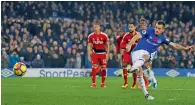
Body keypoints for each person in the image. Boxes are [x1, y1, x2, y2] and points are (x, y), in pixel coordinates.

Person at [127, 20, 194, 100]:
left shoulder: (163, 38)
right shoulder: (149, 30)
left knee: (140, 73)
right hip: (136, 52)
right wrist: (130, 44)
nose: (156, 30)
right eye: (156, 27)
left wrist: (185, 48)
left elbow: (174, 45)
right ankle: (135, 67)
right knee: (146, 57)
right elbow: (137, 35)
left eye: (159, 28)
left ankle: (146, 94)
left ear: (163, 30)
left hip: (142, 57)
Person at [120, 21, 149, 89]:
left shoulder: (139, 35)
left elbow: (144, 43)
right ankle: (125, 83)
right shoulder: (126, 35)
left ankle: (137, 83)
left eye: (131, 27)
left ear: (135, 27)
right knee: (124, 65)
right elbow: (122, 45)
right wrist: (127, 46)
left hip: (136, 53)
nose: (130, 28)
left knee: (137, 67)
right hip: (128, 53)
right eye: (129, 27)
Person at [87, 21, 110, 88]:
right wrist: (89, 55)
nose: (95, 28)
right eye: (94, 27)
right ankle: (93, 83)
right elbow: (89, 46)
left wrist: (107, 54)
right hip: (95, 53)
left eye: (96, 27)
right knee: (94, 68)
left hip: (103, 53)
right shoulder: (91, 36)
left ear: (99, 27)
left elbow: (108, 45)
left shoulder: (104, 35)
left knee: (104, 68)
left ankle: (103, 83)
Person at [139, 18, 158, 88]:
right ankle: (152, 80)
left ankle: (153, 80)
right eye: (141, 24)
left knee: (147, 65)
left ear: (146, 24)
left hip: (151, 51)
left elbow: (156, 39)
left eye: (143, 24)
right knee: (144, 67)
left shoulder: (151, 30)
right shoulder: (139, 32)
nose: (142, 25)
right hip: (143, 51)